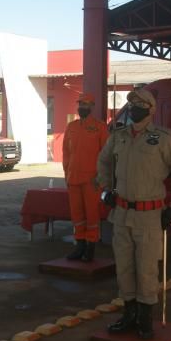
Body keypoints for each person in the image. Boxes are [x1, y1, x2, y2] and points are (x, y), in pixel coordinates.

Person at [97, 89, 171, 339]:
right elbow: (103, 162)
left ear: (151, 110)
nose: (132, 109)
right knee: (124, 268)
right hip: (121, 214)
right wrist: (106, 188)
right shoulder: (118, 136)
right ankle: (128, 314)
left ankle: (144, 318)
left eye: (139, 105)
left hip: (150, 216)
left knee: (146, 269)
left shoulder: (162, 138)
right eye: (130, 105)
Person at [62, 93, 109, 262]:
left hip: (92, 180)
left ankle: (90, 247)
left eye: (86, 104)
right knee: (77, 214)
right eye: (81, 104)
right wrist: (66, 174)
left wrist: (102, 178)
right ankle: (79, 245)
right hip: (73, 178)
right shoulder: (71, 127)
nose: (83, 107)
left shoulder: (100, 127)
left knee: (91, 215)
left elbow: (106, 155)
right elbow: (66, 153)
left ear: (92, 106)